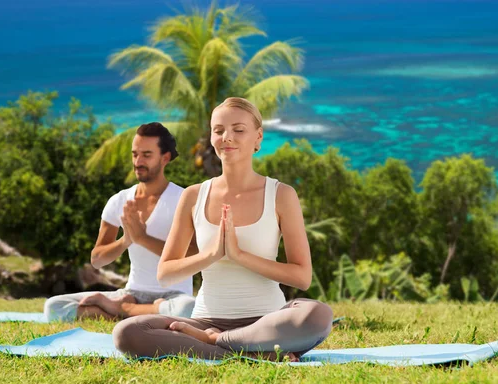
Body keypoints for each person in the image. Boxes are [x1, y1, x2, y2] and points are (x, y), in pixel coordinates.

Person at [112, 98, 333, 360]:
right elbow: (166, 274)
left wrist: (240, 256)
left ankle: (218, 344)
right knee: (127, 333)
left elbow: (302, 276)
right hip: (205, 320)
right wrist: (212, 255)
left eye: (238, 130)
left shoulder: (281, 194)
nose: (227, 137)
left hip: (266, 323)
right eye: (218, 131)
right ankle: (254, 355)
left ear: (258, 138)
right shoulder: (194, 196)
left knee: (318, 315)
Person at [44, 122, 195, 322]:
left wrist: (143, 238)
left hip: (173, 297)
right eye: (135, 154)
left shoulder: (184, 199)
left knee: (188, 309)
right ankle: (132, 310)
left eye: (146, 155)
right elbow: (97, 259)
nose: (138, 161)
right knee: (54, 307)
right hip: (131, 292)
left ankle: (122, 311)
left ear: (165, 158)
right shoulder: (119, 200)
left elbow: (195, 254)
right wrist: (126, 241)